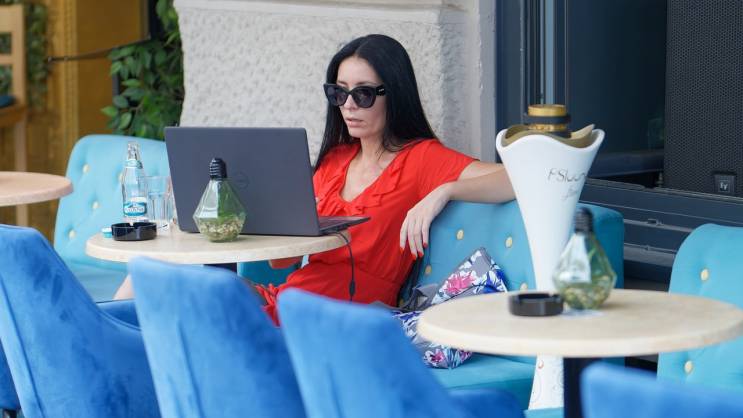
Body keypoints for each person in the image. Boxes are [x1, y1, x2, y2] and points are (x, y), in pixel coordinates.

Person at [114, 34, 515, 323]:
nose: (348, 106)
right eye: (339, 93)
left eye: (363, 94)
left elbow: (514, 179)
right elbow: (283, 259)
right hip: (293, 300)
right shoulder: (335, 161)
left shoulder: (421, 158)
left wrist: (444, 190)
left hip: (338, 320)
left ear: (394, 94)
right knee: (147, 274)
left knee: (176, 308)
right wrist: (259, 209)